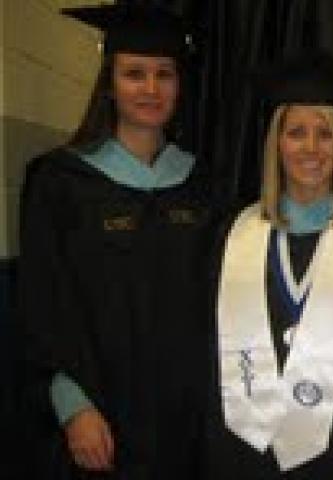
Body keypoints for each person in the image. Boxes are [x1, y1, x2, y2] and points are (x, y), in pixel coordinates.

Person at [18, 4, 213, 479]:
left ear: (179, 86)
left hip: (189, 419)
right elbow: (45, 300)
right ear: (110, 83)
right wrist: (72, 406)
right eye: (134, 74)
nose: (150, 89)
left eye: (164, 75)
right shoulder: (60, 183)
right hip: (98, 418)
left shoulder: (205, 185)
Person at [205, 58, 333, 480]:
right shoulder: (233, 234)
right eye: (296, 133)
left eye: (326, 133)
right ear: (277, 144)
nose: (310, 148)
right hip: (244, 450)